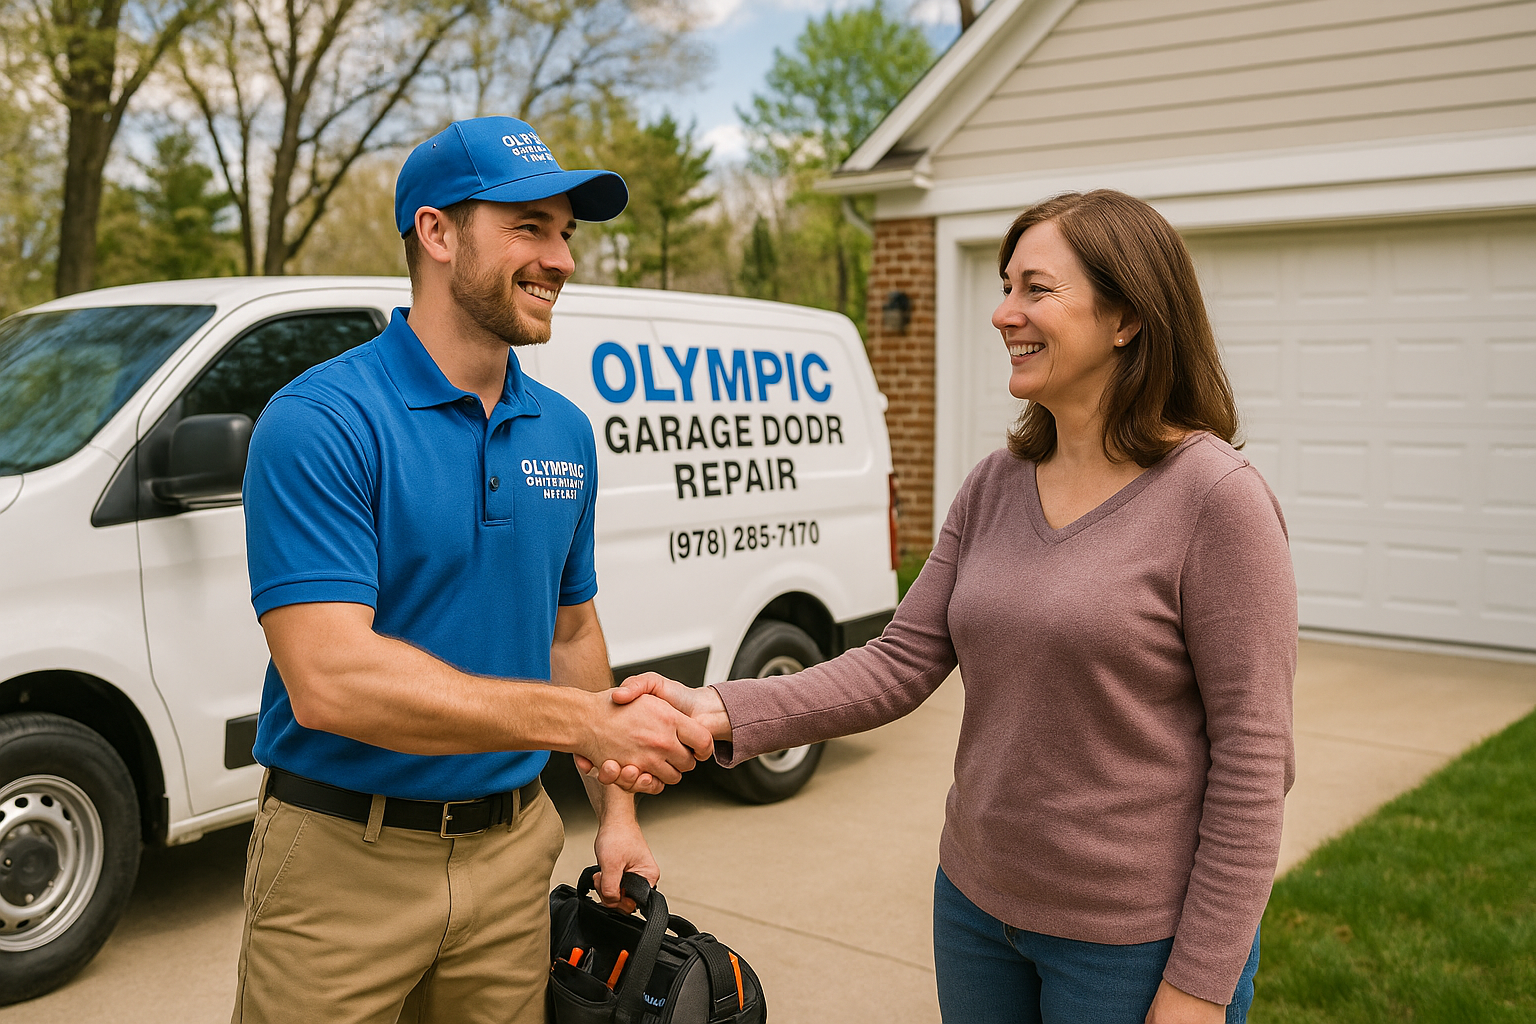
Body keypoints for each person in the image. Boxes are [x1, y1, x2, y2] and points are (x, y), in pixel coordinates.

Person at [593, 190, 1298, 1024]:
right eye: (1005, 286)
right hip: (974, 907)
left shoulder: (1216, 500)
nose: (1004, 313)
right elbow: (899, 663)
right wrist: (713, 710)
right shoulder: (996, 484)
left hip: (1130, 943)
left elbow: (1254, 764)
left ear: (1127, 317)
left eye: (1036, 289)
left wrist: (1201, 985)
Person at [234, 115, 710, 1024]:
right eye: (528, 227)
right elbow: (331, 680)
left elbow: (570, 628)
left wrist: (614, 817)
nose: (562, 258)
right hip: (342, 861)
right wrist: (583, 722)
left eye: (565, 232)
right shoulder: (323, 420)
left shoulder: (565, 430)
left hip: (513, 852)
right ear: (438, 233)